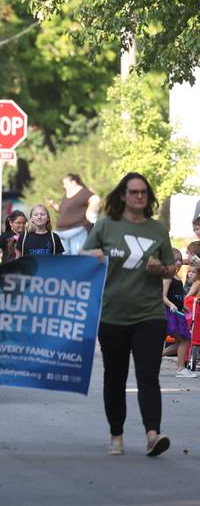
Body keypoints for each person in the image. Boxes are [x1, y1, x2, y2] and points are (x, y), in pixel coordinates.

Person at [82, 172, 174, 457]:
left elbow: (171, 267)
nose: (139, 197)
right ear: (122, 195)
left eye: (143, 192)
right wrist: (93, 256)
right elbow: (83, 255)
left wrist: (161, 270)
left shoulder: (157, 230)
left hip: (149, 313)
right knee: (115, 376)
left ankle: (152, 435)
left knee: (148, 374)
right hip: (113, 314)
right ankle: (116, 435)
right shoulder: (106, 226)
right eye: (133, 192)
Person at [162, 248, 196, 378]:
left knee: (180, 341)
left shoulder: (177, 276)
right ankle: (180, 368)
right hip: (171, 313)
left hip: (178, 312)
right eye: (175, 260)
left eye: (180, 260)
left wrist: (183, 307)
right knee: (185, 339)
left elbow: (177, 296)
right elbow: (163, 296)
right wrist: (171, 305)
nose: (178, 262)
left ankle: (156, 356)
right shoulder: (167, 276)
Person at [49, 174, 101, 255]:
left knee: (77, 257)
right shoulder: (67, 195)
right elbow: (64, 211)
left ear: (73, 182)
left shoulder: (83, 192)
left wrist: (90, 212)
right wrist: (54, 205)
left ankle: (97, 255)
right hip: (62, 233)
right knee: (65, 260)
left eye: (65, 184)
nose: (64, 186)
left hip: (77, 232)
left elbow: (96, 199)